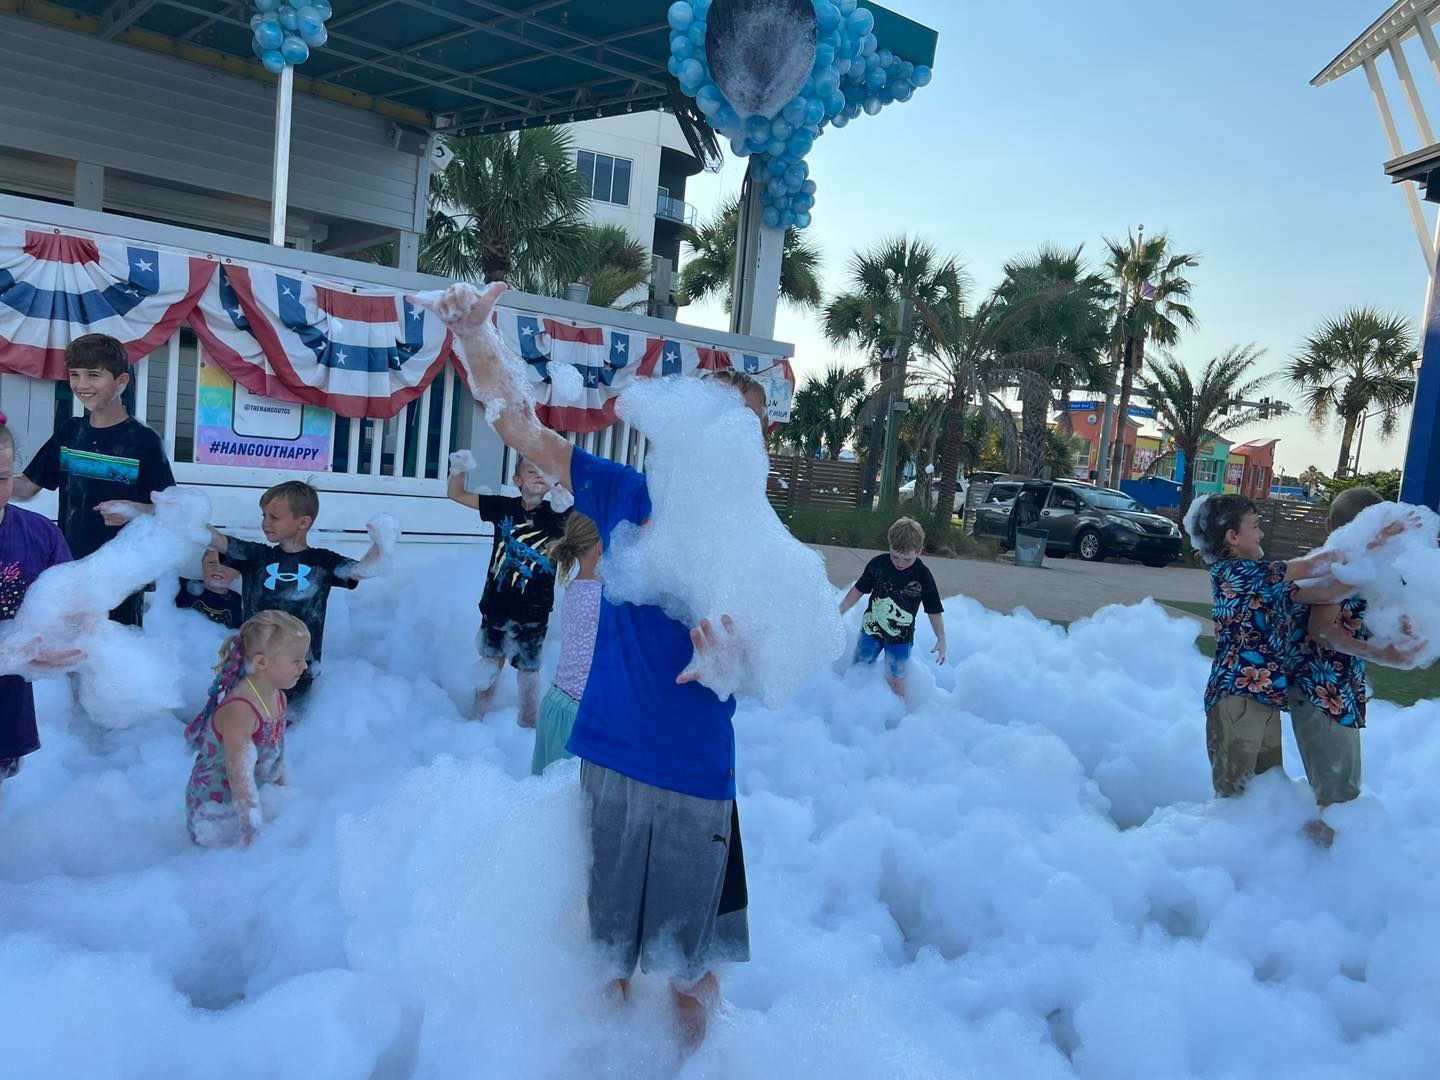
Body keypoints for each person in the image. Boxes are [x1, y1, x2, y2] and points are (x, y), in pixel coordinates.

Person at [418, 276, 754, 1050]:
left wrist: (739, 658)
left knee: (689, 968)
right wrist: (477, 340)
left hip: (695, 773)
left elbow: (779, 656)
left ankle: (684, 1068)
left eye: (740, 429)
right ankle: (600, 1064)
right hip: (605, 753)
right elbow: (523, 429)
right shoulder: (624, 493)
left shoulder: (752, 541)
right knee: (603, 954)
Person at [1191, 493, 1409, 799]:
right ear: (1232, 537)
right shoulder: (1237, 573)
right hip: (1236, 695)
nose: (1262, 533)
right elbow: (1315, 566)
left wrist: (1371, 572)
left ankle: (1254, 845)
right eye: (1255, 526)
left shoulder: (1265, 578)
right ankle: (1223, 844)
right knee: (1236, 797)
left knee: (1266, 795)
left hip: (1264, 695)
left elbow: (1323, 594)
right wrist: (1373, 539)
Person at [1285, 487, 1426, 845]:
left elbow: (1354, 617)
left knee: (1338, 795)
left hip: (1335, 691)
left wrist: (1394, 630)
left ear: (1331, 523)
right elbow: (1323, 632)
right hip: (1322, 692)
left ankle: (1315, 867)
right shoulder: (1341, 566)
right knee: (1336, 801)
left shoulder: (1361, 564)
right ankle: (1315, 876)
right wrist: (1385, 655)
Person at [11, 334, 175, 627]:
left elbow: (174, 511)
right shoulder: (70, 433)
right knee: (69, 655)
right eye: (75, 375)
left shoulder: (144, 441)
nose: (81, 384)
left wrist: (135, 509)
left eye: (93, 375)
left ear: (121, 381)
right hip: (68, 569)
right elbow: (26, 486)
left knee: (113, 659)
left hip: (121, 576)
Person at [208, 481, 386, 706]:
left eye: (274, 517)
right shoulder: (256, 556)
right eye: (263, 515)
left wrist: (381, 544)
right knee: (249, 716)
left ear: (303, 522)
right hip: (254, 663)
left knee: (288, 721)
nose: (265, 523)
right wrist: (189, 518)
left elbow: (362, 570)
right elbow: (218, 541)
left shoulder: (323, 562)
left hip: (298, 668)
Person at [447, 452, 569, 727]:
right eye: (531, 471)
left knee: (529, 670)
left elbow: (590, 517)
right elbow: (456, 494)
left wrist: (562, 490)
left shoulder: (560, 515)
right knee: (490, 661)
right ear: (517, 479)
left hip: (534, 612)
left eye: (544, 472)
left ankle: (527, 725)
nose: (538, 475)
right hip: (496, 606)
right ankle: (477, 719)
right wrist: (459, 468)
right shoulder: (503, 507)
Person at [0, 417, 81, 804]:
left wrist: (60, 642)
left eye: (0, 478)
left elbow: (71, 607)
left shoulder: (41, 535)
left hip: (8, 691)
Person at [183, 611, 309, 847]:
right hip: (214, 808)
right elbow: (238, 774)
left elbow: (276, 750)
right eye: (296, 660)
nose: (304, 666)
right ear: (261, 662)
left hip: (251, 794)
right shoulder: (240, 710)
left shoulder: (277, 696)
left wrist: (283, 795)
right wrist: (251, 832)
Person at [839, 516, 947, 699]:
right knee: (858, 670)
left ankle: (898, 717)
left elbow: (933, 609)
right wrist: (839, 611)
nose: (899, 563)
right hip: (871, 630)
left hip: (901, 639)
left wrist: (941, 638)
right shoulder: (878, 565)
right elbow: (858, 590)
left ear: (919, 551)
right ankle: (850, 705)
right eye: (895, 556)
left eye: (907, 559)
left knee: (895, 678)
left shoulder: (923, 575)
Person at [531, 512, 602, 775]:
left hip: (556, 704)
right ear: (601, 546)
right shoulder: (601, 598)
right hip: (578, 716)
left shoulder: (576, 587)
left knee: (545, 798)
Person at [175, 548, 243, 630]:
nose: (218, 569)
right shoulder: (182, 586)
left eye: (228, 565)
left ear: (238, 573)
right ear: (202, 564)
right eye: (212, 563)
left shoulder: (240, 602)